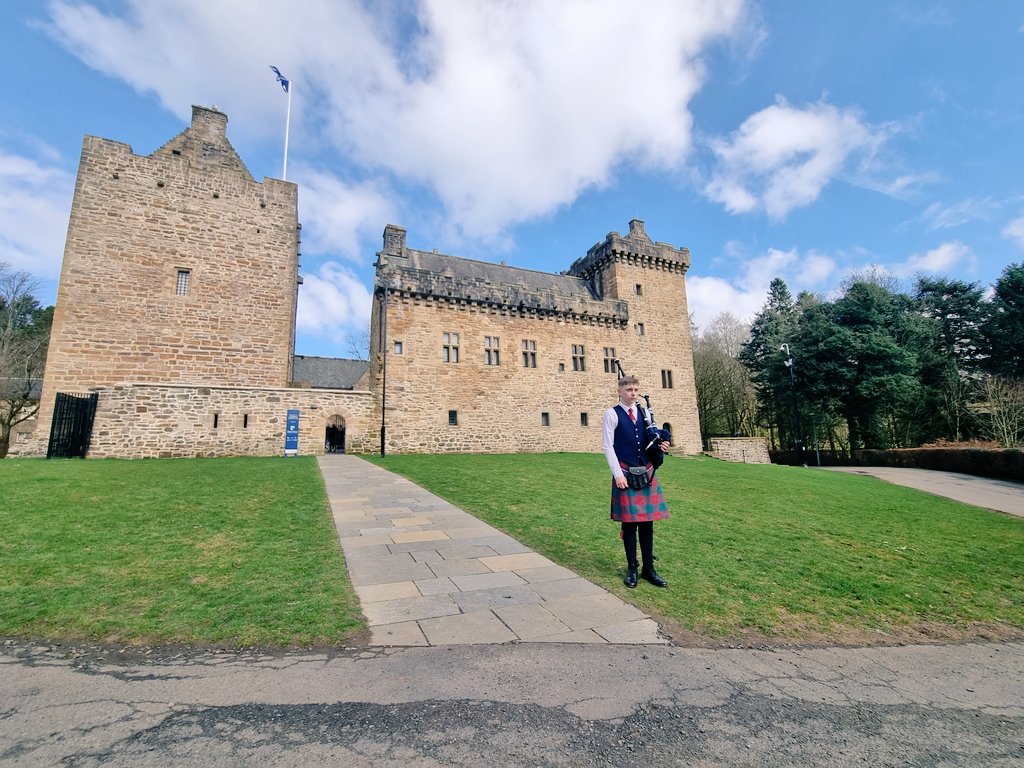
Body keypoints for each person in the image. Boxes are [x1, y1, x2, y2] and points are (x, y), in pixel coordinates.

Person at [602, 375, 671, 588]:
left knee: (647, 524)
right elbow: (608, 446)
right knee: (630, 525)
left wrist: (661, 445)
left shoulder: (645, 413)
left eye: (635, 389)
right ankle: (632, 567)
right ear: (619, 391)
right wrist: (618, 475)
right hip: (625, 472)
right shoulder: (611, 414)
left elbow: (651, 439)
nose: (633, 393)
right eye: (629, 389)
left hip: (647, 472)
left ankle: (649, 569)